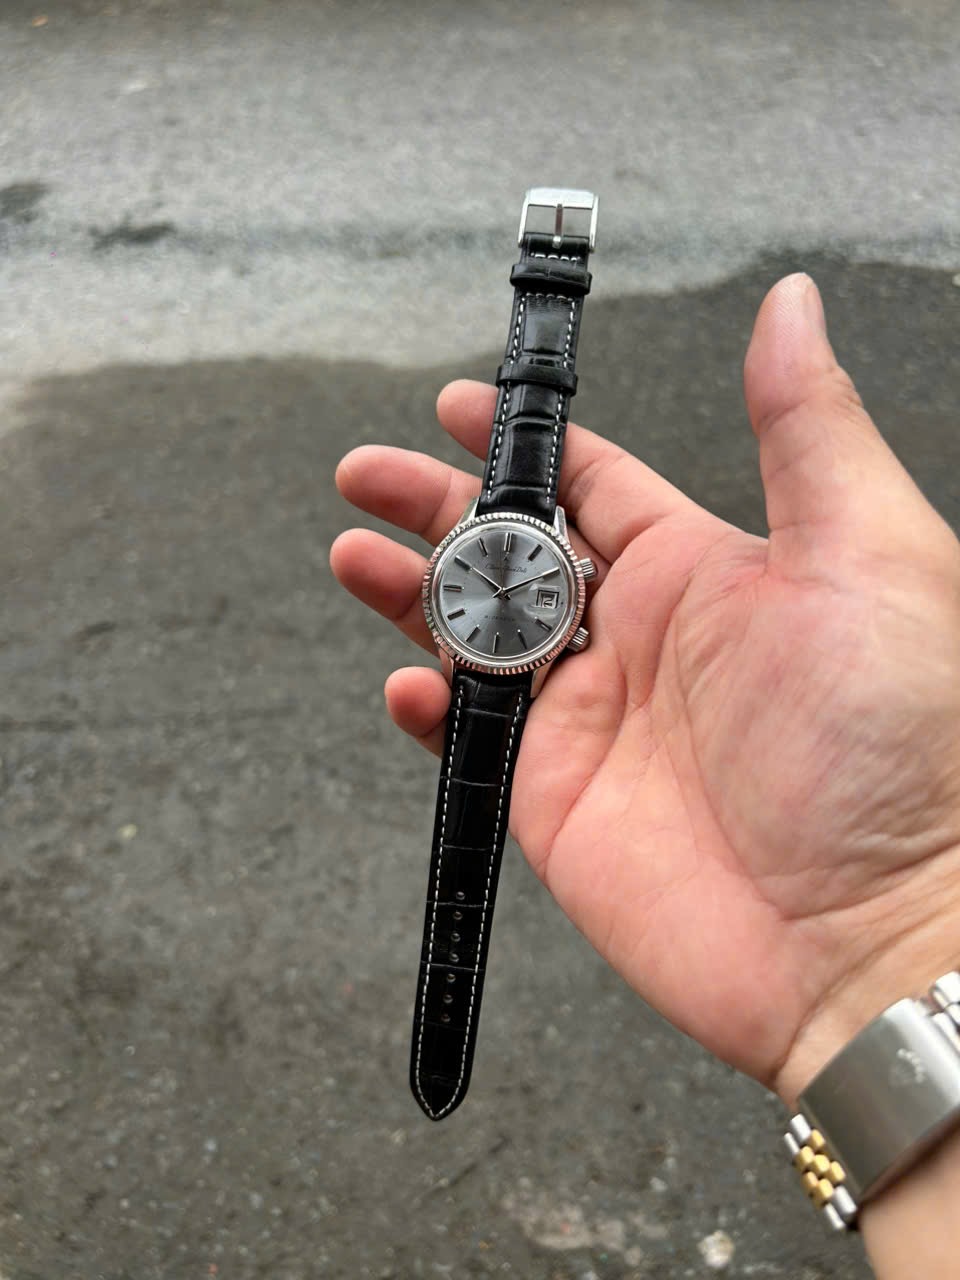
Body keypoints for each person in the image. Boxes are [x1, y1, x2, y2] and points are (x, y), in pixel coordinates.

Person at [330, 273, 960, 1278]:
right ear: (452, 583)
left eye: (538, 592)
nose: (504, 594)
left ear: (574, 604)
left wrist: (901, 947)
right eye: (478, 582)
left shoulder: (539, 590)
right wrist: (911, 941)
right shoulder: (539, 587)